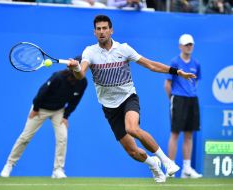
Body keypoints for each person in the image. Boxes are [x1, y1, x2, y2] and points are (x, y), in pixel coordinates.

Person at [67, 15, 197, 182]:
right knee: (132, 151)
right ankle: (153, 164)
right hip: (109, 107)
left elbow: (150, 64)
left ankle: (167, 162)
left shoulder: (124, 49)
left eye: (105, 28)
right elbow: (80, 75)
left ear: (111, 30)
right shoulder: (89, 52)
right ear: (94, 32)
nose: (102, 32)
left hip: (128, 98)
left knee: (132, 129)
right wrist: (76, 67)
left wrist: (177, 72)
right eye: (98, 29)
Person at [0, 64, 88, 178]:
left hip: (58, 111)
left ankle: (58, 170)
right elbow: (42, 92)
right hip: (40, 108)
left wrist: (66, 116)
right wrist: (35, 109)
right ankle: (9, 164)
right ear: (72, 69)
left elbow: (75, 101)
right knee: (25, 137)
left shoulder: (83, 83)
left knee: (63, 138)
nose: (83, 71)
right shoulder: (58, 77)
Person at [164, 34, 202, 178]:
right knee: (175, 133)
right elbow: (167, 85)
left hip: (192, 100)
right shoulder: (174, 62)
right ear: (180, 46)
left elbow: (196, 82)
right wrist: (173, 98)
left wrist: (190, 92)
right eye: (186, 44)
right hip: (178, 99)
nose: (189, 47)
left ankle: (186, 169)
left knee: (189, 134)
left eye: (191, 44)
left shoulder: (196, 64)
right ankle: (171, 168)